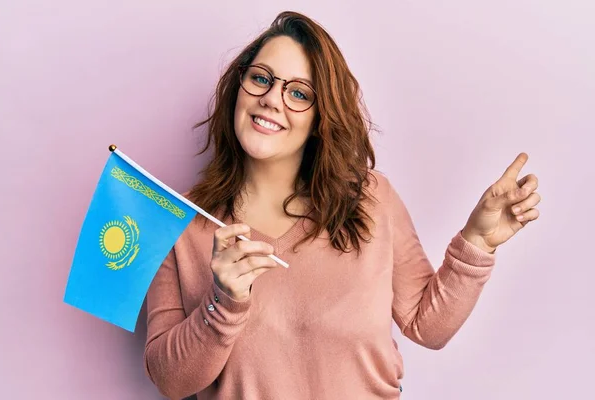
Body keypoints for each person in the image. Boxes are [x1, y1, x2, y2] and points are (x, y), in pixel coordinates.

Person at [143, 11, 540, 400]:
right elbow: (170, 382)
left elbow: (428, 326)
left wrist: (478, 243)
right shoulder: (180, 222)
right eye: (260, 79)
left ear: (320, 118)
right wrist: (223, 301)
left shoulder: (371, 199)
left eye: (298, 93)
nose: (270, 99)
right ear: (239, 88)